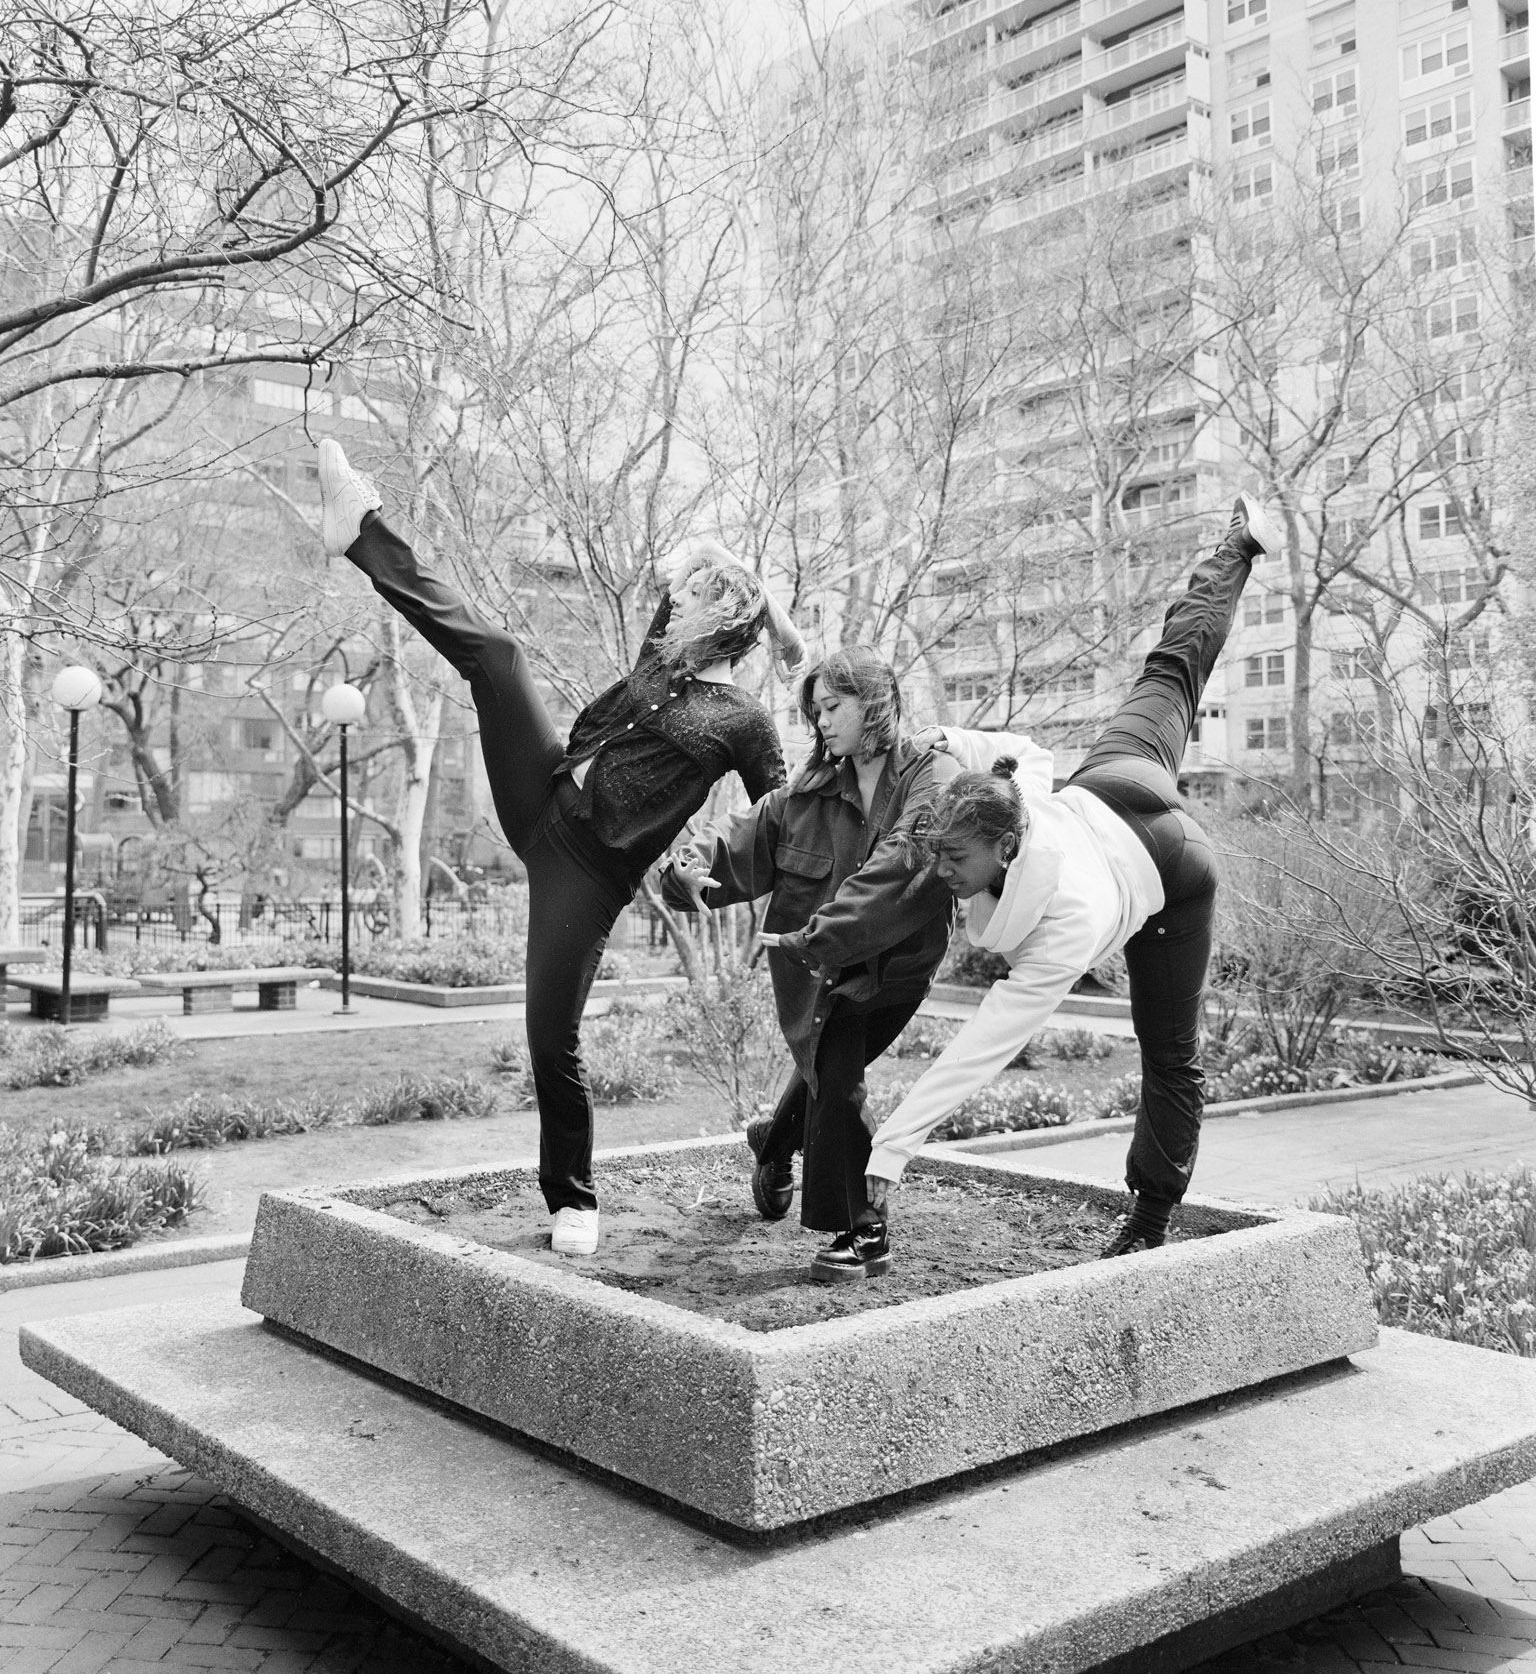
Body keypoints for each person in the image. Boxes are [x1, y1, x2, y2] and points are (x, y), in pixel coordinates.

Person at [314, 439, 803, 1256]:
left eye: (697, 607)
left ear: (727, 630)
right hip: (543, 789)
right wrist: (785, 624)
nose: (677, 606)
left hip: (586, 868)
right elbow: (707, 551)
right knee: (497, 656)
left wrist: (718, 880)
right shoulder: (666, 658)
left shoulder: (747, 722)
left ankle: (573, 1199)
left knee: (551, 1034)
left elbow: (783, 819)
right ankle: (362, 531)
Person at [771, 494, 1277, 1263]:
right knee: (1172, 669)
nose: (942, 874)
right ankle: (1235, 549)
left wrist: (894, 1150)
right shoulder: (1012, 798)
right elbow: (1026, 754)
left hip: (1171, 870)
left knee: (1168, 1049)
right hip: (1117, 782)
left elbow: (982, 1045)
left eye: (954, 863)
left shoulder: (1064, 927)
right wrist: (948, 739)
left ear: (1005, 851)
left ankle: (1149, 1215)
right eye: (938, 856)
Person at [662, 649, 960, 1280]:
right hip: (818, 976)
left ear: (873, 704)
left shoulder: (934, 777)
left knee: (833, 1062)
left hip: (894, 969)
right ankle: (824, 1192)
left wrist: (814, 936)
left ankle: (813, 1180)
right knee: (833, 1063)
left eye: (833, 707)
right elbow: (744, 830)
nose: (820, 722)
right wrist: (687, 864)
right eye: (815, 710)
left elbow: (902, 869)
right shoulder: (810, 792)